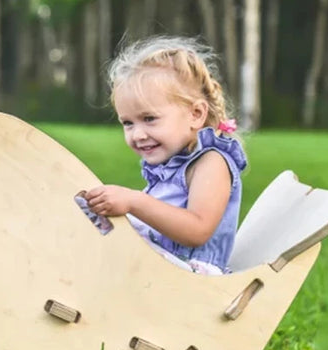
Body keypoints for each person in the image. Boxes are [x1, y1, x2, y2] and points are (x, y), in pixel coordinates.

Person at [84, 35, 247, 275]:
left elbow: (198, 230)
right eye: (128, 123)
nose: (138, 134)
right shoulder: (170, 167)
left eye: (149, 119)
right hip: (159, 275)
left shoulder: (211, 162)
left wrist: (133, 202)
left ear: (195, 114)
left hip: (188, 283)